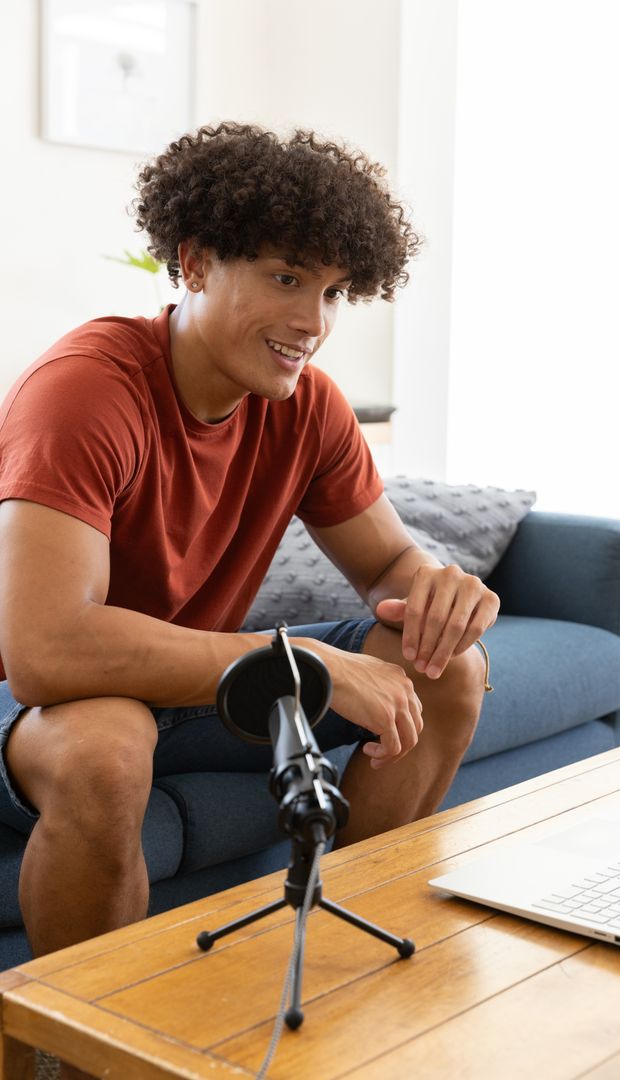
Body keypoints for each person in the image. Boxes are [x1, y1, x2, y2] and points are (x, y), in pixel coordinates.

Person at [0, 123, 499, 975]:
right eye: (286, 278)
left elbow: (386, 567)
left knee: (450, 669)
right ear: (194, 263)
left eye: (335, 291)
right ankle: (79, 1054)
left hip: (199, 692)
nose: (314, 322)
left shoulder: (307, 407)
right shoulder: (85, 390)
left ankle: (338, 962)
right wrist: (297, 661)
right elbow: (45, 651)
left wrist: (440, 591)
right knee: (107, 751)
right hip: (45, 703)